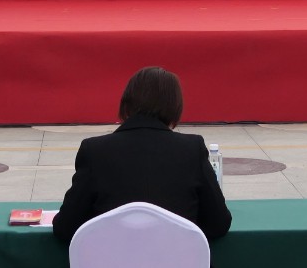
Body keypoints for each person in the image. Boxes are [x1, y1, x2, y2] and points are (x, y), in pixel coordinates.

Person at [54, 66, 231, 247]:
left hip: (112, 263)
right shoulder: (192, 149)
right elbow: (219, 224)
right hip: (177, 263)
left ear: (126, 104)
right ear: (175, 107)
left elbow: (65, 228)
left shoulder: (94, 151)